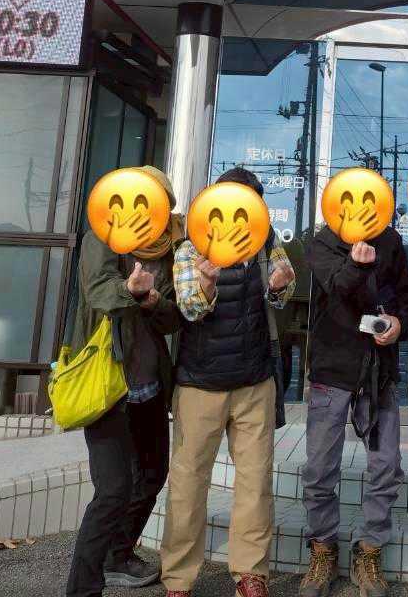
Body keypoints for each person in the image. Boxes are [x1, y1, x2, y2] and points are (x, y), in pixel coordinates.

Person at [161, 167, 296, 597]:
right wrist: (205, 281)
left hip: (254, 381)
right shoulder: (191, 246)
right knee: (188, 482)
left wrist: (280, 285)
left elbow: (283, 288)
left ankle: (251, 574)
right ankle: (178, 579)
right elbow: (190, 309)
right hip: (199, 383)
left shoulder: (268, 242)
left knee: (255, 482)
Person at [65, 165, 184, 597]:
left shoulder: (170, 245)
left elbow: (173, 317)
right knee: (112, 490)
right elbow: (98, 291)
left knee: (152, 475)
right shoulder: (102, 234)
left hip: (149, 384)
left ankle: (118, 555)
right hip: (108, 382)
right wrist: (130, 291)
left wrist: (153, 302)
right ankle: (83, 587)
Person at [298, 215, 408, 597]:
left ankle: (370, 550)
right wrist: (357, 263)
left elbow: (406, 299)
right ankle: (323, 550)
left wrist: (398, 324)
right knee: (319, 469)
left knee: (386, 466)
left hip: (378, 372)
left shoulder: (392, 241)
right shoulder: (324, 241)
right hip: (332, 368)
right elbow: (338, 285)